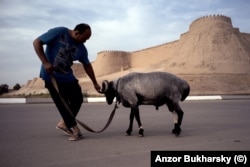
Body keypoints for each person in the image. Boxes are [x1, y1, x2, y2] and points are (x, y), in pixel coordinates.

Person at [33, 23, 101, 141]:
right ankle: (75, 129)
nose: (85, 41)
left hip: (67, 77)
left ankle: (63, 124)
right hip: (52, 77)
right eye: (84, 38)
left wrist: (95, 82)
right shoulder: (59, 32)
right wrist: (45, 62)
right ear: (76, 32)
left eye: (87, 39)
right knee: (63, 104)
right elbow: (36, 42)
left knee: (78, 99)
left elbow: (87, 65)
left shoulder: (81, 48)